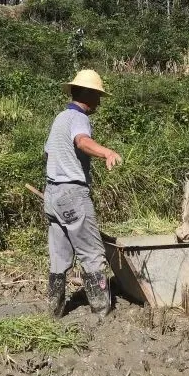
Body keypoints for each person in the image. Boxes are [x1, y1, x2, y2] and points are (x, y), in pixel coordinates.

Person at [43, 69, 123, 318]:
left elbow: (49, 153)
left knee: (59, 256)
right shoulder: (79, 118)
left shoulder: (60, 118)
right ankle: (101, 310)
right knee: (92, 252)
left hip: (52, 194)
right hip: (72, 194)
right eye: (97, 96)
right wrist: (107, 152)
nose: (99, 101)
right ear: (87, 95)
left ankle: (54, 311)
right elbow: (82, 142)